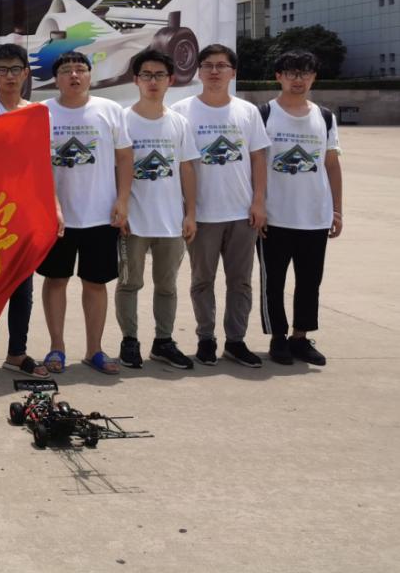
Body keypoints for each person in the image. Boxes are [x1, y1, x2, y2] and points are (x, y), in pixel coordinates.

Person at [171, 45, 270, 368]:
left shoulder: (247, 112)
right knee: (202, 280)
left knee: (240, 281)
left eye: (222, 66)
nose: (215, 71)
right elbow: (180, 163)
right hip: (202, 214)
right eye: (208, 65)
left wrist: (258, 201)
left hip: (242, 214)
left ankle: (236, 341)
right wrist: (187, 211)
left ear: (233, 72)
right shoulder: (182, 111)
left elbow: (258, 157)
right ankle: (206, 338)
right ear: (198, 71)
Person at [0, 43, 55, 380]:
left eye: (16, 69)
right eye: (2, 70)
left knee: (22, 286)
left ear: (26, 73)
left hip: (24, 212)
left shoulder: (38, 112)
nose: (10, 76)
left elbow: (43, 165)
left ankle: (17, 352)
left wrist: (52, 208)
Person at [39, 51, 132, 375]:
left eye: (80, 69)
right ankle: (57, 347)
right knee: (56, 280)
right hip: (57, 217)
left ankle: (95, 349)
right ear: (57, 78)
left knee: (95, 283)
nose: (74, 75)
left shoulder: (109, 110)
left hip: (100, 215)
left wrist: (123, 199)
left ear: (90, 75)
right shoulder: (42, 113)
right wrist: (49, 206)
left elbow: (125, 158)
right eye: (66, 70)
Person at [257, 50, 343, 366]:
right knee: (273, 282)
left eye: (305, 73)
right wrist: (257, 205)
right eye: (292, 73)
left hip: (315, 216)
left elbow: (331, 164)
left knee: (309, 282)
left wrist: (337, 209)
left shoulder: (325, 117)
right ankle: (278, 338)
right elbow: (255, 163)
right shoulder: (264, 114)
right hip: (274, 216)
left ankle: (300, 337)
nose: (299, 79)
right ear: (279, 76)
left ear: (313, 77)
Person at [116, 48, 199, 370]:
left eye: (159, 75)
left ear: (170, 80)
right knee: (129, 283)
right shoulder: (123, 120)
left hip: (171, 222)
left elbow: (186, 168)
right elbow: (115, 168)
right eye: (147, 75)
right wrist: (121, 209)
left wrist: (190, 214)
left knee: (167, 286)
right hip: (134, 221)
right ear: (136, 80)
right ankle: (130, 341)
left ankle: (163, 342)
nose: (153, 81)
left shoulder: (179, 122)